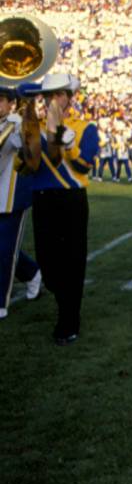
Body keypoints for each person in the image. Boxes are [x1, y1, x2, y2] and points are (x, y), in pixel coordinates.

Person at [33, 73, 99, 345]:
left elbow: (85, 166)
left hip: (71, 199)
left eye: (59, 95)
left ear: (69, 99)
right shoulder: (32, 127)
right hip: (43, 198)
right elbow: (27, 168)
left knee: (72, 261)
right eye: (49, 95)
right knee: (48, 264)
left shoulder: (85, 127)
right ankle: (63, 304)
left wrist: (69, 145)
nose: (54, 101)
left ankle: (69, 319)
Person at [0, 85, 43, 319]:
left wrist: (23, 140)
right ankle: (32, 272)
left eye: (1, 100)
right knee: (5, 249)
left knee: (5, 250)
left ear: (10, 103)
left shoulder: (17, 122)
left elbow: (31, 153)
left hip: (11, 196)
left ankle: (1, 303)